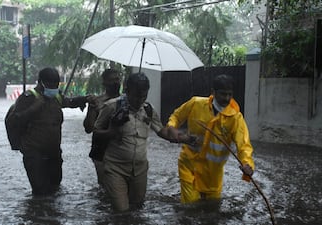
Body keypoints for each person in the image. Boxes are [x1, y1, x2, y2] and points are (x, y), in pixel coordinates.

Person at [93, 72, 188, 212]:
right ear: (127, 91)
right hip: (115, 168)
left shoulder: (148, 110)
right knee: (121, 210)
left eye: (144, 96)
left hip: (140, 170)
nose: (140, 100)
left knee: (137, 208)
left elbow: (161, 131)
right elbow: (95, 131)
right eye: (136, 96)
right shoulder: (112, 107)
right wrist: (110, 133)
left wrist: (181, 137)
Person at [166, 74, 255, 204]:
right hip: (189, 166)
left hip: (213, 175)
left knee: (212, 208)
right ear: (213, 92)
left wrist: (247, 164)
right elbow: (176, 116)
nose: (227, 98)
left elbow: (244, 145)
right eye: (223, 94)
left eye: (230, 94)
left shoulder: (236, 119)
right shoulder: (195, 104)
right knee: (191, 206)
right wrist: (171, 127)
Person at [7, 67, 90, 196]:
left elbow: (69, 102)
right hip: (34, 153)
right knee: (40, 192)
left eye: (56, 85)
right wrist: (34, 108)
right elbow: (14, 121)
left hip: (53, 152)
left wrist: (84, 100)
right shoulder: (28, 98)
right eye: (50, 84)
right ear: (41, 82)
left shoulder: (56, 97)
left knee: (55, 188)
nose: (53, 88)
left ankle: (51, 215)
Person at [83, 69, 121, 186]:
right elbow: (88, 129)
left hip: (120, 148)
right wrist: (93, 109)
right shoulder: (97, 101)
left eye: (117, 79)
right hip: (100, 149)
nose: (115, 83)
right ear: (104, 83)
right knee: (104, 184)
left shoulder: (126, 102)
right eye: (111, 80)